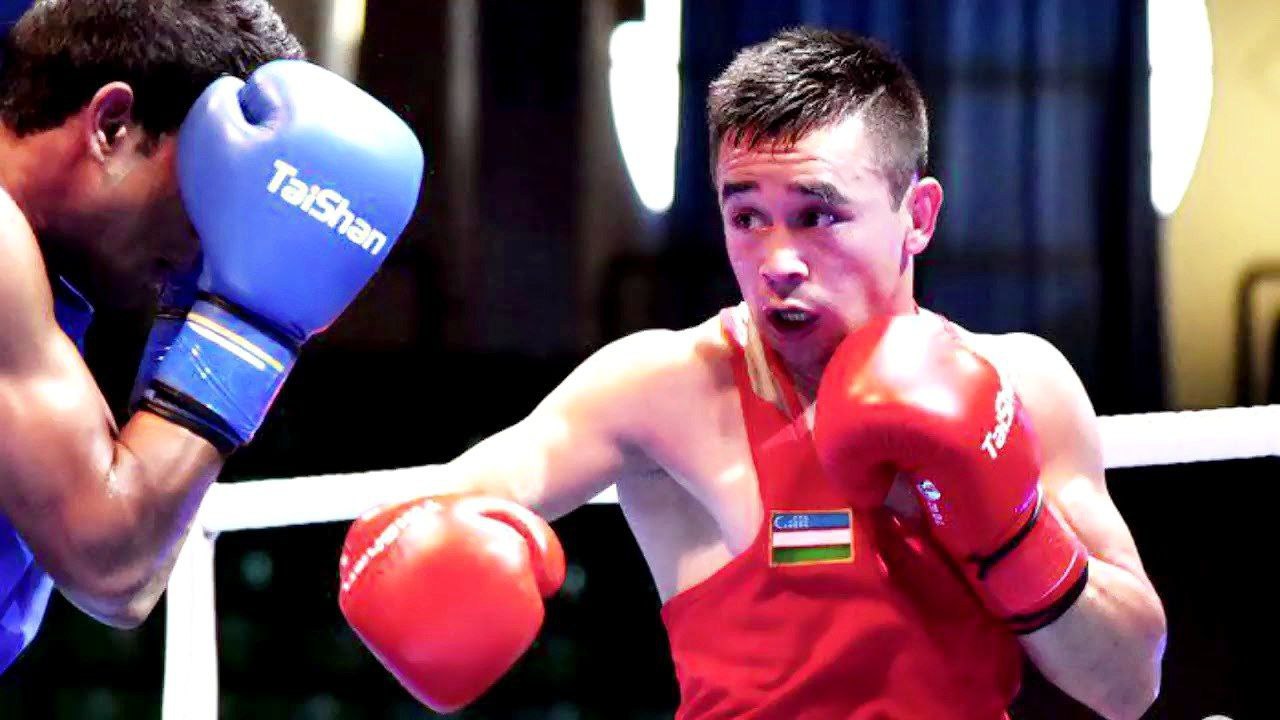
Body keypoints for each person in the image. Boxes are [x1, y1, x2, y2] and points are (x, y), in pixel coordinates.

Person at [339, 27, 1166, 720]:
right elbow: (425, 518)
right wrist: (466, 559)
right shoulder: (665, 387)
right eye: (746, 217)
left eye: (817, 215)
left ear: (916, 216)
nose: (778, 261)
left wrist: (1010, 534)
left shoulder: (1021, 383)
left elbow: (1129, 686)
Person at [0, 0, 423, 675]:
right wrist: (252, 323)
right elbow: (111, 565)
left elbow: (130, 578)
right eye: (207, 198)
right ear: (112, 125)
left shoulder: (46, 289)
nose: (209, 245)